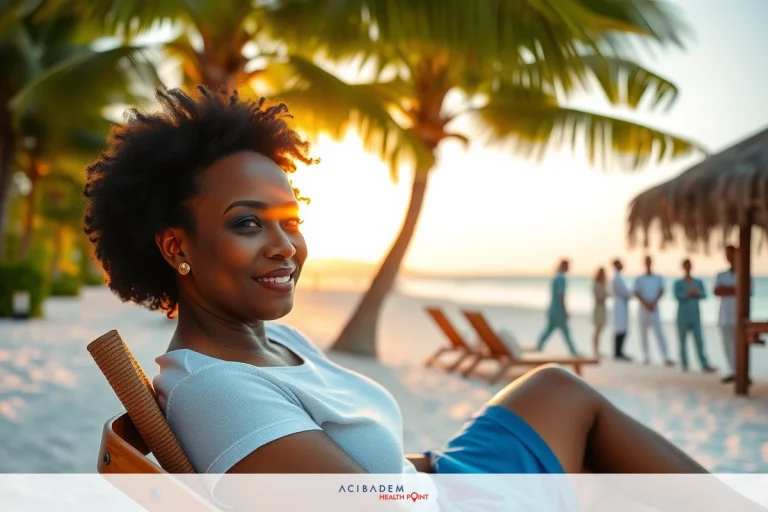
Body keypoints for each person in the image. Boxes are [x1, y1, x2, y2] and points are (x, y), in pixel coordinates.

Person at [82, 86, 739, 508]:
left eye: (291, 219)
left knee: (555, 390)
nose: (285, 245)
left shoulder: (271, 338)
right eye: (248, 223)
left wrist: (419, 467)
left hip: (435, 477)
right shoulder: (220, 393)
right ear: (176, 248)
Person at [714, 245, 753, 384]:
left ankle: (742, 373)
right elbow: (717, 291)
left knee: (741, 346)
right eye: (727, 254)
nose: (729, 257)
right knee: (727, 345)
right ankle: (733, 372)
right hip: (724, 316)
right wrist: (734, 289)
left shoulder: (744, 274)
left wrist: (728, 289)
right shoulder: (721, 275)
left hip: (739, 316)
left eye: (732, 254)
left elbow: (747, 292)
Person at [673, 259, 716, 373]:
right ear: (683, 267)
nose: (687, 267)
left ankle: (704, 364)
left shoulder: (697, 282)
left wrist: (696, 293)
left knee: (699, 341)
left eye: (689, 265)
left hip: (695, 316)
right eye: (685, 265)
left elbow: (704, 294)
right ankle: (684, 364)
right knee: (682, 341)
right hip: (682, 316)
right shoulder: (678, 283)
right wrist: (688, 293)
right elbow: (677, 296)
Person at [634, 256, 674, 367]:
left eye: (649, 261)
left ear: (651, 262)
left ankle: (666, 356)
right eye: (646, 262)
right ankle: (645, 356)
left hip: (654, 308)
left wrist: (653, 302)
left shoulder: (658, 277)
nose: (648, 263)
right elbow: (637, 293)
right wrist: (646, 303)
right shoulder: (639, 278)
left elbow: (662, 290)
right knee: (643, 333)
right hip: (643, 309)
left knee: (659, 332)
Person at [536, 259, 578, 355]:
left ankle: (538, 346)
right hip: (558, 310)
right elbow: (560, 295)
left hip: (552, 309)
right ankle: (573, 352)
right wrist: (565, 310)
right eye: (568, 266)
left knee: (549, 330)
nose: (569, 268)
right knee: (566, 332)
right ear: (564, 266)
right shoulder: (561, 278)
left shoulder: (556, 277)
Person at [611, 258, 632, 361]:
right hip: (620, 305)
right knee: (620, 329)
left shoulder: (618, 277)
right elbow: (624, 292)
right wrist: (630, 294)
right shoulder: (617, 278)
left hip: (621, 305)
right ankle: (618, 352)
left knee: (621, 328)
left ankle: (619, 351)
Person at [592, 267, 608, 358]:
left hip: (602, 309)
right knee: (597, 331)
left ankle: (597, 350)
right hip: (599, 309)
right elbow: (599, 298)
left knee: (599, 331)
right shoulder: (596, 284)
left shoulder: (603, 284)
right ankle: (596, 351)